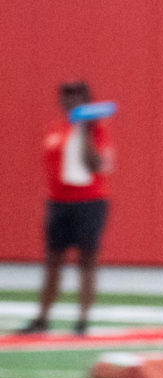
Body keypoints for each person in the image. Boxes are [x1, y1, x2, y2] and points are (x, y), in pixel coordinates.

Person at [18, 80, 114, 336]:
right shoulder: (55, 129)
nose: (71, 101)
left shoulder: (96, 130)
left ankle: (82, 318)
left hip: (89, 201)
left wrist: (84, 130)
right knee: (53, 260)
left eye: (77, 97)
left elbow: (95, 165)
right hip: (59, 202)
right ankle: (43, 316)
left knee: (86, 260)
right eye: (67, 96)